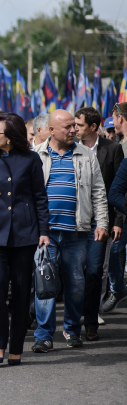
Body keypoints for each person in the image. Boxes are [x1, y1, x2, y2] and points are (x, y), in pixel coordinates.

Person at [0, 112, 50, 365]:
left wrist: (44, 232)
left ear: (11, 136)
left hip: (24, 233)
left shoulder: (31, 159)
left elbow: (40, 198)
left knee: (20, 290)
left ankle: (16, 346)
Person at [31, 109, 108, 353]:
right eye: (68, 127)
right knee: (45, 284)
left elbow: (98, 192)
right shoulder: (36, 155)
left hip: (77, 232)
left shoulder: (86, 154)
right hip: (45, 234)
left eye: (75, 126)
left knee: (76, 283)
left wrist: (103, 222)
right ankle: (44, 335)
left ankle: (73, 330)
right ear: (51, 131)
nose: (74, 130)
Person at [75, 106, 123, 341]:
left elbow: (119, 188)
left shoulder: (112, 149)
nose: (75, 129)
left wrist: (117, 221)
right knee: (75, 272)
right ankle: (74, 321)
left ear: (93, 127)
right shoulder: (71, 149)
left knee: (95, 271)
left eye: (80, 125)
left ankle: (91, 322)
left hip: (101, 221)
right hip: (75, 220)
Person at [105, 102, 127, 313]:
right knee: (113, 254)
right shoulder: (120, 146)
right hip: (123, 211)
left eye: (114, 119)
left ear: (121, 118)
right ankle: (118, 288)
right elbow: (115, 191)